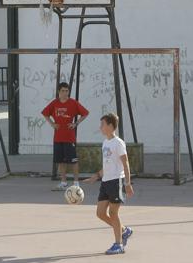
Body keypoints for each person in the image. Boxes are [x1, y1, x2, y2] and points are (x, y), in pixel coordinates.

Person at [84, 113, 135, 255]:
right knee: (100, 213)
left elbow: (126, 164)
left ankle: (118, 245)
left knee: (113, 213)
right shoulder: (105, 143)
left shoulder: (118, 143)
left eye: (102, 125)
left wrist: (128, 183)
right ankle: (124, 230)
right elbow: (107, 165)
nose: (100, 127)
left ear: (110, 126)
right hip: (105, 182)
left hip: (116, 182)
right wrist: (96, 176)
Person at [41, 82, 89, 191]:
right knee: (61, 161)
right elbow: (45, 113)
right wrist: (52, 124)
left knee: (73, 161)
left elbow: (85, 113)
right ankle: (63, 182)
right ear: (59, 91)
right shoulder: (55, 103)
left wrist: (75, 123)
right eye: (63, 91)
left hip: (69, 137)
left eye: (67, 91)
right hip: (58, 137)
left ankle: (76, 183)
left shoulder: (73, 103)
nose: (65, 93)